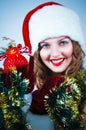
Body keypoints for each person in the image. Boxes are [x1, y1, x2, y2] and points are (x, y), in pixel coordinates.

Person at [22, 1, 86, 130]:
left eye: (63, 42)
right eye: (45, 45)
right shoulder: (26, 94)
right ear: (38, 52)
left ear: (75, 45)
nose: (55, 54)